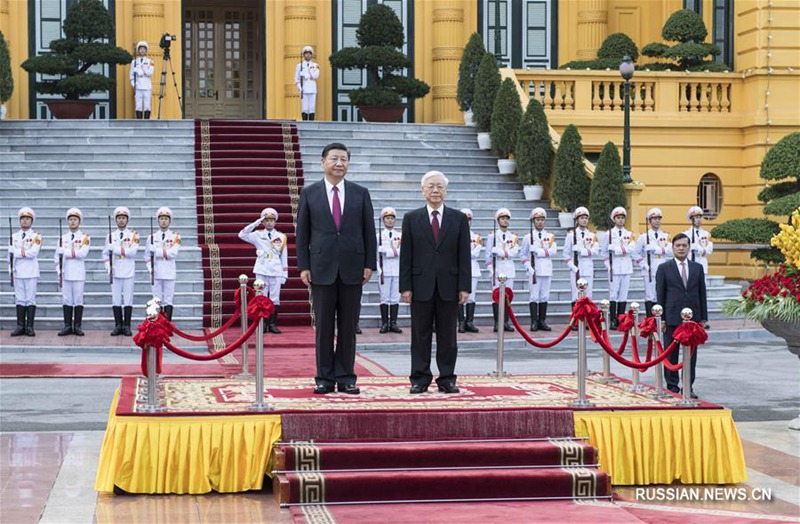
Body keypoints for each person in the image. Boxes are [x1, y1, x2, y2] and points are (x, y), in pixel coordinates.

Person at [296, 143, 377, 395]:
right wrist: (304, 266)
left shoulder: (360, 193)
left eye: (343, 159)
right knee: (323, 327)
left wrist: (369, 263)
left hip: (354, 268)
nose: (339, 163)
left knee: (348, 326)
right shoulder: (309, 193)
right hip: (321, 267)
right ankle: (324, 377)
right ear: (323, 162)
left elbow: (369, 232)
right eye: (334, 159)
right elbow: (302, 233)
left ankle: (346, 377)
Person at [400, 171, 471, 394]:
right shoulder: (411, 218)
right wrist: (405, 286)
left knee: (448, 336)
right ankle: (419, 378)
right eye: (431, 186)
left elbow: (464, 255)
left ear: (446, 191)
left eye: (439, 186)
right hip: (421, 285)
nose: (435, 191)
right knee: (420, 335)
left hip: (449, 286)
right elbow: (406, 255)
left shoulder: (458, 219)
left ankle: (447, 378)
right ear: (422, 190)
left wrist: (464, 286)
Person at [656, 233, 708, 398]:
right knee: (671, 353)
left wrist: (703, 318)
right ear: (672, 248)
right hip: (671, 317)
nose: (681, 248)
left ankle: (688, 386)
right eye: (678, 245)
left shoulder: (697, 268)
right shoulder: (664, 268)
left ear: (689, 247)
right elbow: (660, 294)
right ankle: (672, 386)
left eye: (684, 245)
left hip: (692, 319)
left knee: (691, 355)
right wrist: (662, 318)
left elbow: (702, 293)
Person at [238, 207, 288, 334]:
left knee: (275, 298)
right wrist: (256, 223)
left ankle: (272, 324)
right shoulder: (257, 235)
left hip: (276, 269)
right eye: (266, 220)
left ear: (275, 221)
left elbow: (284, 256)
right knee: (262, 296)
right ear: (263, 222)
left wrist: (284, 274)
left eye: (271, 220)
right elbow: (241, 234)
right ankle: (262, 323)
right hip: (261, 268)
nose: (269, 222)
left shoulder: (281, 236)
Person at [103, 206, 139, 336]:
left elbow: (132, 252)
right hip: (115, 270)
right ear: (115, 220)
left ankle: (127, 325)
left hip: (128, 270)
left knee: (128, 299)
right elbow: (105, 254)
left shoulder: (134, 235)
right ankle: (118, 325)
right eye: (119, 218)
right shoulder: (110, 236)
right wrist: (108, 267)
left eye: (123, 218)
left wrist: (116, 249)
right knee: (116, 299)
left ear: (127, 220)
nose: (121, 220)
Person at [520, 207, 557, 332]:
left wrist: (538, 251)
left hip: (546, 269)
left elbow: (553, 251)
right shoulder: (527, 237)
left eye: (542, 220)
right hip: (534, 270)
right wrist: (528, 267)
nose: (540, 222)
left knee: (544, 296)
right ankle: (534, 321)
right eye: (537, 220)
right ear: (533, 221)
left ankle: (542, 321)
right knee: (534, 296)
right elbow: (523, 255)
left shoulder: (550, 236)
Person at [55, 208, 90, 336]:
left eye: (75, 220)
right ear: (67, 222)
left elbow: (82, 253)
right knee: (67, 300)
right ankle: (67, 326)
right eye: (70, 220)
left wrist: (66, 252)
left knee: (78, 299)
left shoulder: (85, 237)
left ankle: (78, 326)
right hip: (66, 272)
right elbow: (56, 256)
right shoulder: (62, 238)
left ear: (79, 222)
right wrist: (59, 271)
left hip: (78, 273)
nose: (73, 222)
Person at [600, 206, 636, 329]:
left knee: (623, 294)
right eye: (618, 218)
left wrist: (616, 249)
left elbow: (632, 249)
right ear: (614, 219)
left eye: (622, 218)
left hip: (626, 266)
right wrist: (607, 265)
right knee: (613, 294)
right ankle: (613, 320)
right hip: (614, 267)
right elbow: (604, 252)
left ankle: (621, 318)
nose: (620, 220)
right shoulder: (609, 234)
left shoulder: (629, 234)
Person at [562, 206, 597, 330]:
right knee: (576, 295)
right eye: (581, 218)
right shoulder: (571, 235)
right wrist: (572, 266)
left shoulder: (592, 235)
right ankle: (575, 321)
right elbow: (565, 254)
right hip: (576, 268)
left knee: (588, 295)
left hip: (587, 266)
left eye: (586, 218)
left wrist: (582, 251)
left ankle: (587, 320)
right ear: (577, 220)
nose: (584, 220)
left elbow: (595, 250)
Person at [9, 207, 41, 337]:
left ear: (31, 221)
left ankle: (30, 327)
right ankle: (20, 326)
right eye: (23, 219)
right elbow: (9, 257)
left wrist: (17, 252)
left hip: (31, 271)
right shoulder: (14, 236)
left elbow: (33, 253)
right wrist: (10, 270)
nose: (25, 221)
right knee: (20, 299)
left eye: (27, 219)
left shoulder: (36, 236)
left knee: (30, 299)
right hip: (18, 271)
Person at [145, 207, 181, 322]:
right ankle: (157, 324)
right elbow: (146, 256)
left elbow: (173, 254)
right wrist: (150, 268)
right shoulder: (151, 237)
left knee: (168, 299)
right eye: (161, 219)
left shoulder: (175, 236)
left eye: (166, 219)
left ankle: (167, 324)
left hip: (169, 271)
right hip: (156, 271)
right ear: (158, 221)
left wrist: (157, 251)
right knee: (156, 299)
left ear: (170, 221)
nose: (164, 221)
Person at [634, 208, 672, 317]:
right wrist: (643, 264)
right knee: (650, 295)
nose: (657, 221)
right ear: (649, 221)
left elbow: (670, 251)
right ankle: (650, 319)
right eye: (654, 219)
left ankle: (660, 317)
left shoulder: (666, 236)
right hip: (649, 268)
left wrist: (656, 249)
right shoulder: (643, 237)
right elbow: (635, 253)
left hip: (663, 265)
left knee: (661, 292)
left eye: (659, 219)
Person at [486, 208, 519, 333]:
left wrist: (500, 252)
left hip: (509, 267)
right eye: (502, 218)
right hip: (497, 268)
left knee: (507, 296)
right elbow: (488, 255)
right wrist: (490, 269)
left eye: (506, 219)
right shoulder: (492, 236)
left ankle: (505, 322)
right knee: (496, 297)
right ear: (498, 220)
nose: (505, 221)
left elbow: (515, 252)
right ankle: (497, 322)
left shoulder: (513, 237)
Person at [377, 207, 402, 334]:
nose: (390, 221)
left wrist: (387, 251)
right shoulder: (378, 237)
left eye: (392, 218)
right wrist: (378, 268)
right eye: (387, 218)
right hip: (384, 271)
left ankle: (393, 323)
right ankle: (385, 323)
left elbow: (402, 251)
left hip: (397, 270)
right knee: (385, 298)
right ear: (383, 220)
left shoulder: (400, 236)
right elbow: (375, 254)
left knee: (395, 298)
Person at [458, 208, 481, 333]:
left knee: (471, 297)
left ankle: (469, 322)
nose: (467, 222)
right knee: (460, 297)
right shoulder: (454, 235)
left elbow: (475, 254)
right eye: (464, 220)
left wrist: (464, 253)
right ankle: (461, 322)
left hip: (473, 268)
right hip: (459, 269)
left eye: (469, 220)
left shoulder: (476, 237)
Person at [130, 41, 154, 120]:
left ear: (146, 50)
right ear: (138, 50)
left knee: (147, 105)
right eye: (140, 49)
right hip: (138, 85)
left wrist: (142, 71)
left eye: (144, 49)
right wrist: (134, 84)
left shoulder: (150, 61)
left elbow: (150, 72)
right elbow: (131, 75)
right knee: (138, 105)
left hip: (147, 85)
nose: (142, 51)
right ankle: (139, 121)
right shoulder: (134, 62)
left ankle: (147, 120)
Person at [294, 45, 320, 121]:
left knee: (312, 107)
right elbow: (296, 79)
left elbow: (316, 76)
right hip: (304, 88)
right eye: (306, 53)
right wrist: (300, 88)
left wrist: (306, 75)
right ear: (303, 55)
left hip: (312, 87)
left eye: (309, 53)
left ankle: (311, 123)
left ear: (312, 55)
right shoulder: (299, 66)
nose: (308, 55)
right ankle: (304, 122)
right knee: (304, 107)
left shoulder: (315, 65)